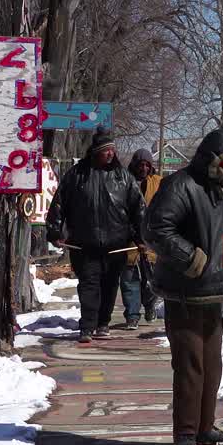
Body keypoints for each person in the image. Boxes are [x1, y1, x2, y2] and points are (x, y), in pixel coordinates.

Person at [146, 128, 223, 445]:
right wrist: (192, 258)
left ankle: (204, 427)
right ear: (212, 163)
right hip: (185, 290)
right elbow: (155, 228)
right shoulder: (181, 186)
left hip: (216, 290)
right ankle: (185, 433)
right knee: (190, 364)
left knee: (211, 364)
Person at [46, 130, 145, 343]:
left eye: (112, 150)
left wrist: (141, 237)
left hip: (116, 243)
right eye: (105, 150)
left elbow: (138, 209)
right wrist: (55, 231)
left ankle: (103, 323)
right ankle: (87, 326)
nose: (110, 154)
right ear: (95, 152)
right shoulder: (77, 174)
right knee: (89, 285)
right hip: (84, 242)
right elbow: (59, 203)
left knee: (110, 285)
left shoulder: (124, 177)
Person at [120, 149, 162, 329]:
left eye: (147, 164)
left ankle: (150, 305)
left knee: (150, 278)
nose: (143, 168)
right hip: (128, 239)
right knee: (129, 279)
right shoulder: (124, 182)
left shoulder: (159, 183)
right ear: (134, 165)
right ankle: (132, 315)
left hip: (151, 239)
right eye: (140, 164)